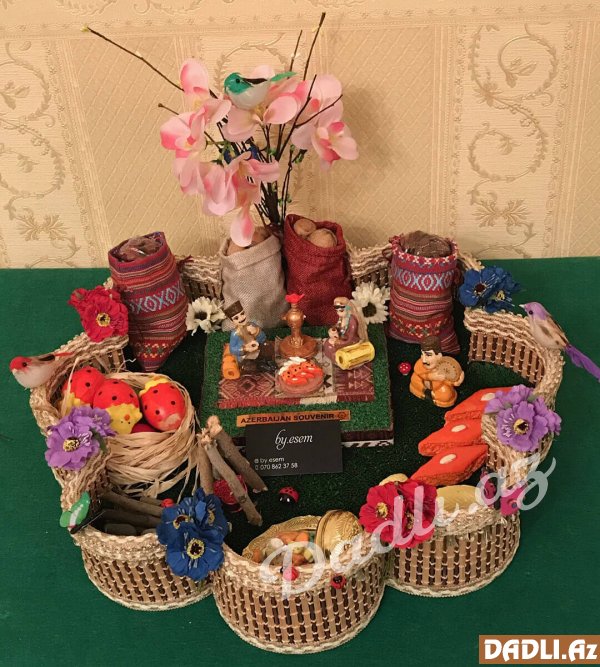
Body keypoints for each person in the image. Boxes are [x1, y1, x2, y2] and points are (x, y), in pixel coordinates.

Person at [409, 335, 464, 408]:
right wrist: (430, 376)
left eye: (428, 355)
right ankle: (423, 392)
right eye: (422, 354)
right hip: (423, 385)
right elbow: (419, 372)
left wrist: (456, 382)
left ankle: (435, 397)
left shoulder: (444, 365)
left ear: (439, 356)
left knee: (446, 394)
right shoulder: (420, 363)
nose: (424, 360)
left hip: (437, 388)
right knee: (414, 378)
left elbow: (449, 378)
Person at [323, 296, 369, 362]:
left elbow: (351, 338)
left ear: (348, 309)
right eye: (337, 311)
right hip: (342, 337)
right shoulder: (342, 317)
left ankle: (340, 360)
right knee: (328, 343)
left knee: (330, 347)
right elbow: (338, 327)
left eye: (341, 311)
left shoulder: (352, 321)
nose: (338, 313)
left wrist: (338, 342)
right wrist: (333, 330)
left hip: (351, 341)